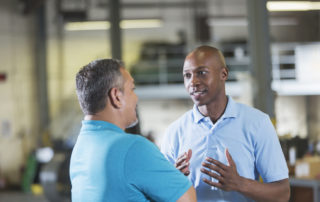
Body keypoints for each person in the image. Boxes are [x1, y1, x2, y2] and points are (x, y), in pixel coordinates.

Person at [161, 46, 290, 202]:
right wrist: (172, 184)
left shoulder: (257, 123)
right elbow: (160, 195)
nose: (193, 82)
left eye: (201, 73)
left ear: (224, 74)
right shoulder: (174, 131)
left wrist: (241, 184)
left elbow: (282, 194)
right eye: (187, 75)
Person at [70, 59, 197, 202]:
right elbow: (188, 200)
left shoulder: (80, 149)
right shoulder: (133, 148)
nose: (136, 98)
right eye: (132, 89)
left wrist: (163, 180)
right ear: (116, 96)